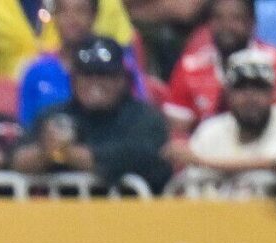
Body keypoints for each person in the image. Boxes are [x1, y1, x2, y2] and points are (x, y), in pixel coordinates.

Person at [13, 34, 170, 186]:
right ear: (73, 80)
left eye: (104, 75)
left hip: (131, 211)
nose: (95, 83)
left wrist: (65, 153)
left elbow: (132, 158)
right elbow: (16, 159)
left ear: (122, 80)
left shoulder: (145, 118)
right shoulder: (54, 115)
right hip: (63, 211)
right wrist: (45, 152)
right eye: (86, 75)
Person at [161, 0, 276, 129]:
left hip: (273, 148)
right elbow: (177, 132)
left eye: (236, 18)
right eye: (218, 18)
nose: (226, 26)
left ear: (252, 23)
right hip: (207, 149)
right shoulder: (190, 67)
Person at [19, 0, 143, 127]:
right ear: (55, 16)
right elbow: (27, 128)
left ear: (94, 15)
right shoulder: (36, 72)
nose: (72, 19)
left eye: (81, 11)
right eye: (63, 11)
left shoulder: (120, 67)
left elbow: (140, 116)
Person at [176, 47, 276, 175]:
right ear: (228, 94)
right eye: (241, 88)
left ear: (273, 93)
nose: (250, 97)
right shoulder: (210, 132)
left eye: (259, 87)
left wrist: (203, 161)